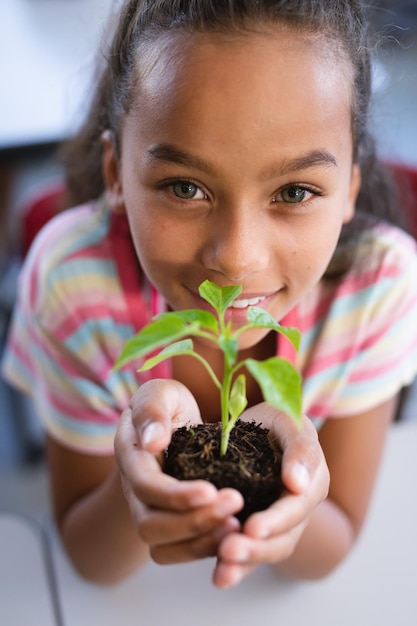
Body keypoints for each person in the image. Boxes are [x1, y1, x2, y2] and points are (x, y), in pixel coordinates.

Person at [3, 0, 417, 589]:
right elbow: (87, 558)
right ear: (117, 172)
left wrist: (285, 496)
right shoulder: (74, 284)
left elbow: (335, 540)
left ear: (349, 188)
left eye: (295, 192)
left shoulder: (378, 285)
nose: (236, 257)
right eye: (185, 187)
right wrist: (137, 483)